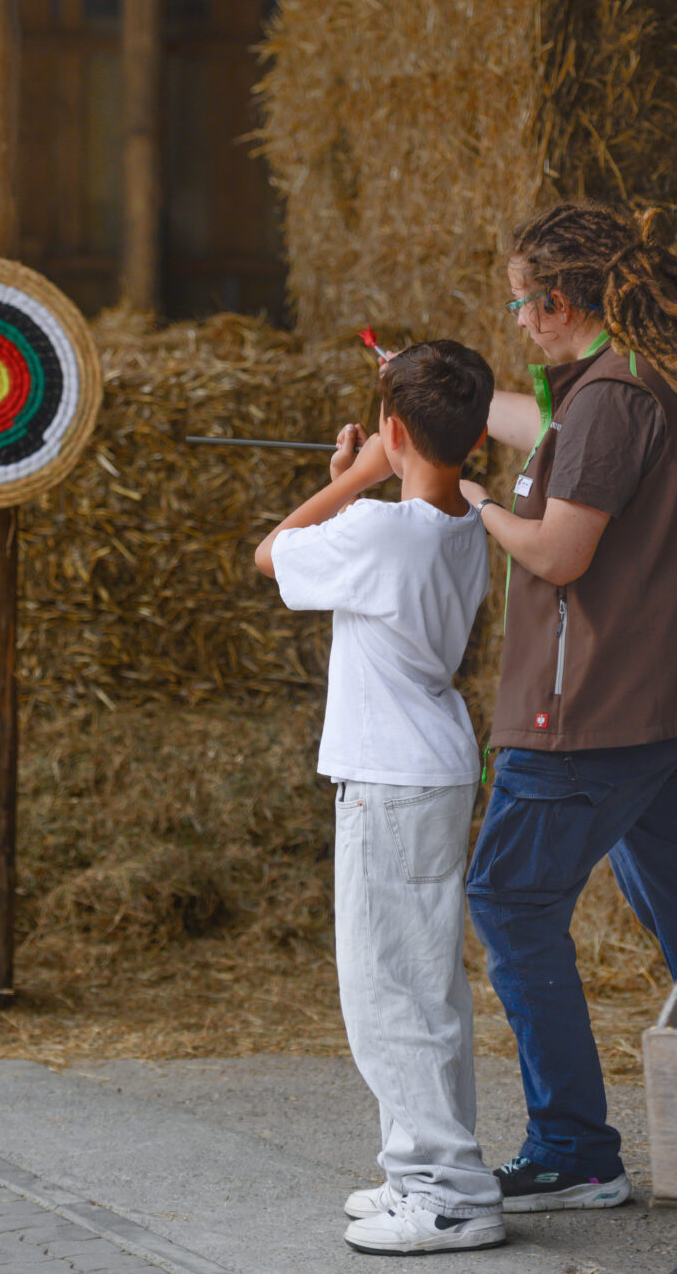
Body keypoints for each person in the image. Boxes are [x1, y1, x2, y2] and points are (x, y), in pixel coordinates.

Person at [460, 200, 677, 1215]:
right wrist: (456, 403)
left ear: (559, 301)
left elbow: (559, 550)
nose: (516, 321)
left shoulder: (608, 401)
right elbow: (547, 427)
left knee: (509, 901)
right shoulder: (660, 382)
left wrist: (476, 499)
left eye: (521, 304)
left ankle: (574, 1146)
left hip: (594, 710)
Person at [254, 340, 506, 1257]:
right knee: (423, 984)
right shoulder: (467, 525)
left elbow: (270, 554)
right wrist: (382, 470)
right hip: (432, 764)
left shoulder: (378, 528)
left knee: (386, 994)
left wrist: (354, 476)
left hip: (393, 778)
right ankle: (419, 1171)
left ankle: (446, 1193)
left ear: (395, 432)